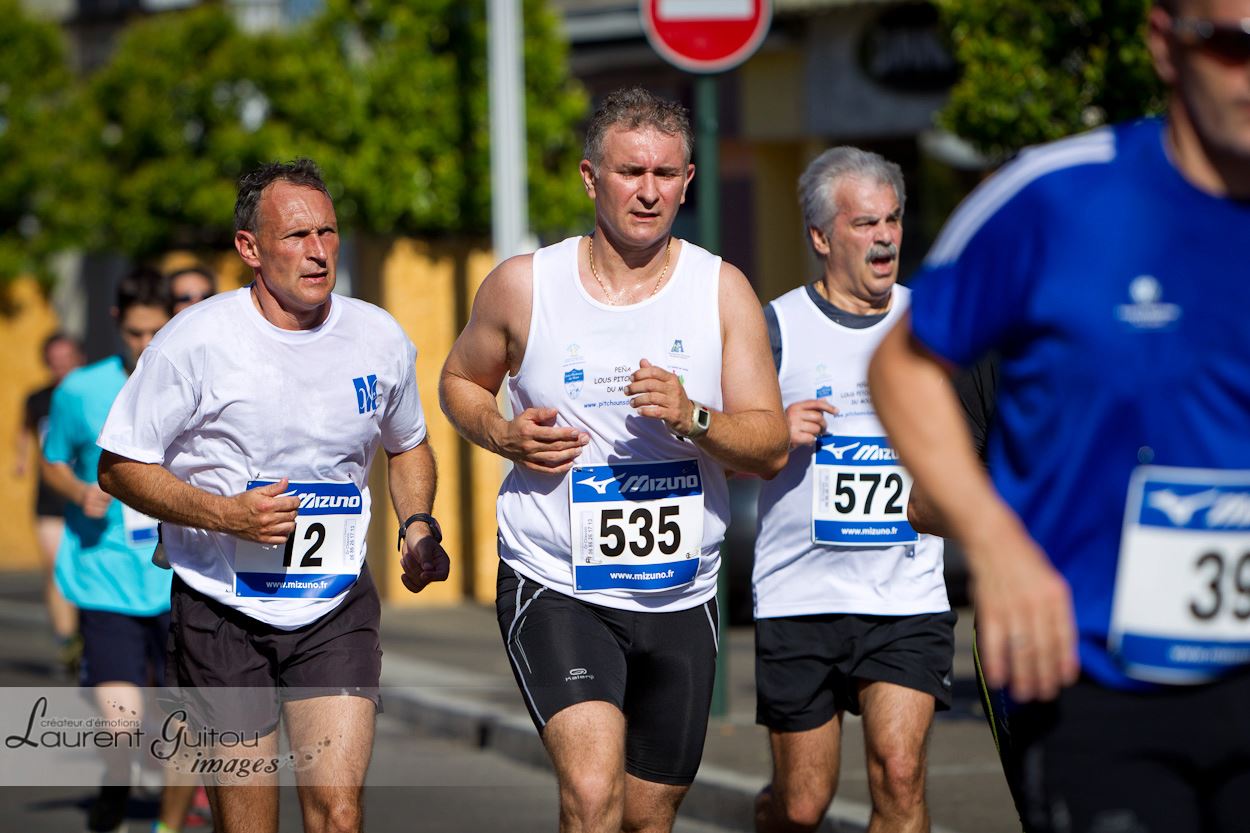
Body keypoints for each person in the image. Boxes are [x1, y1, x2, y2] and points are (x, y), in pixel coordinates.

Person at [868, 0, 1250, 830]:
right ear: (1165, 44)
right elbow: (903, 366)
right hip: (1096, 677)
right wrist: (996, 540)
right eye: (1232, 44)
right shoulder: (1056, 198)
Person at [440, 86, 788, 833]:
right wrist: (501, 433)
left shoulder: (722, 290)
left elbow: (770, 444)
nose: (649, 191)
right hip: (558, 581)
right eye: (631, 172)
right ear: (590, 176)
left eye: (666, 174)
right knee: (594, 793)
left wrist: (695, 417)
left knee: (647, 816)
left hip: (682, 591)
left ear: (688, 181)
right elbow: (459, 381)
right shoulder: (525, 286)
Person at [96, 158, 450, 833]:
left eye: (328, 232)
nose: (318, 251)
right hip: (221, 606)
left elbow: (408, 444)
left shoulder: (377, 336)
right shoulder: (194, 342)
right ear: (250, 248)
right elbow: (118, 467)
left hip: (334, 603)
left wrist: (418, 524)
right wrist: (225, 514)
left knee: (338, 813)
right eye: (296, 236)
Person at [751, 147, 953, 833]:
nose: (886, 237)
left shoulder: (933, 323)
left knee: (900, 774)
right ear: (820, 236)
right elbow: (730, 446)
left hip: (905, 596)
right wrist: (774, 433)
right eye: (865, 223)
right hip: (799, 596)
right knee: (802, 804)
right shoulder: (776, 327)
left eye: (892, 219)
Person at [40, 269, 191, 833]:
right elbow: (53, 460)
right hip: (105, 576)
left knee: (183, 722)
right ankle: (117, 774)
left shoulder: (192, 382)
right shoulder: (80, 391)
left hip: (180, 576)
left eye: (156, 332)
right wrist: (79, 490)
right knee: (122, 725)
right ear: (115, 324)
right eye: (134, 333)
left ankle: (167, 824)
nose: (146, 345)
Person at [16, 332, 84, 668]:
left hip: (89, 496)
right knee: (56, 569)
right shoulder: (37, 399)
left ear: (79, 359)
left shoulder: (90, 394)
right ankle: (67, 642)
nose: (61, 367)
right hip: (50, 499)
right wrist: (21, 459)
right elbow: (24, 430)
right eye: (55, 362)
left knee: (87, 568)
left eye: (67, 359)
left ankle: (89, 634)